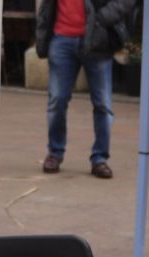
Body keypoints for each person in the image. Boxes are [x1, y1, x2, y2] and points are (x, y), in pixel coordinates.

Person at [35, 0, 136, 179]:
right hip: (61, 38)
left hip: (98, 40)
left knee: (103, 104)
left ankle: (100, 158)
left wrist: (103, 18)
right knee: (57, 100)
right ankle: (55, 152)